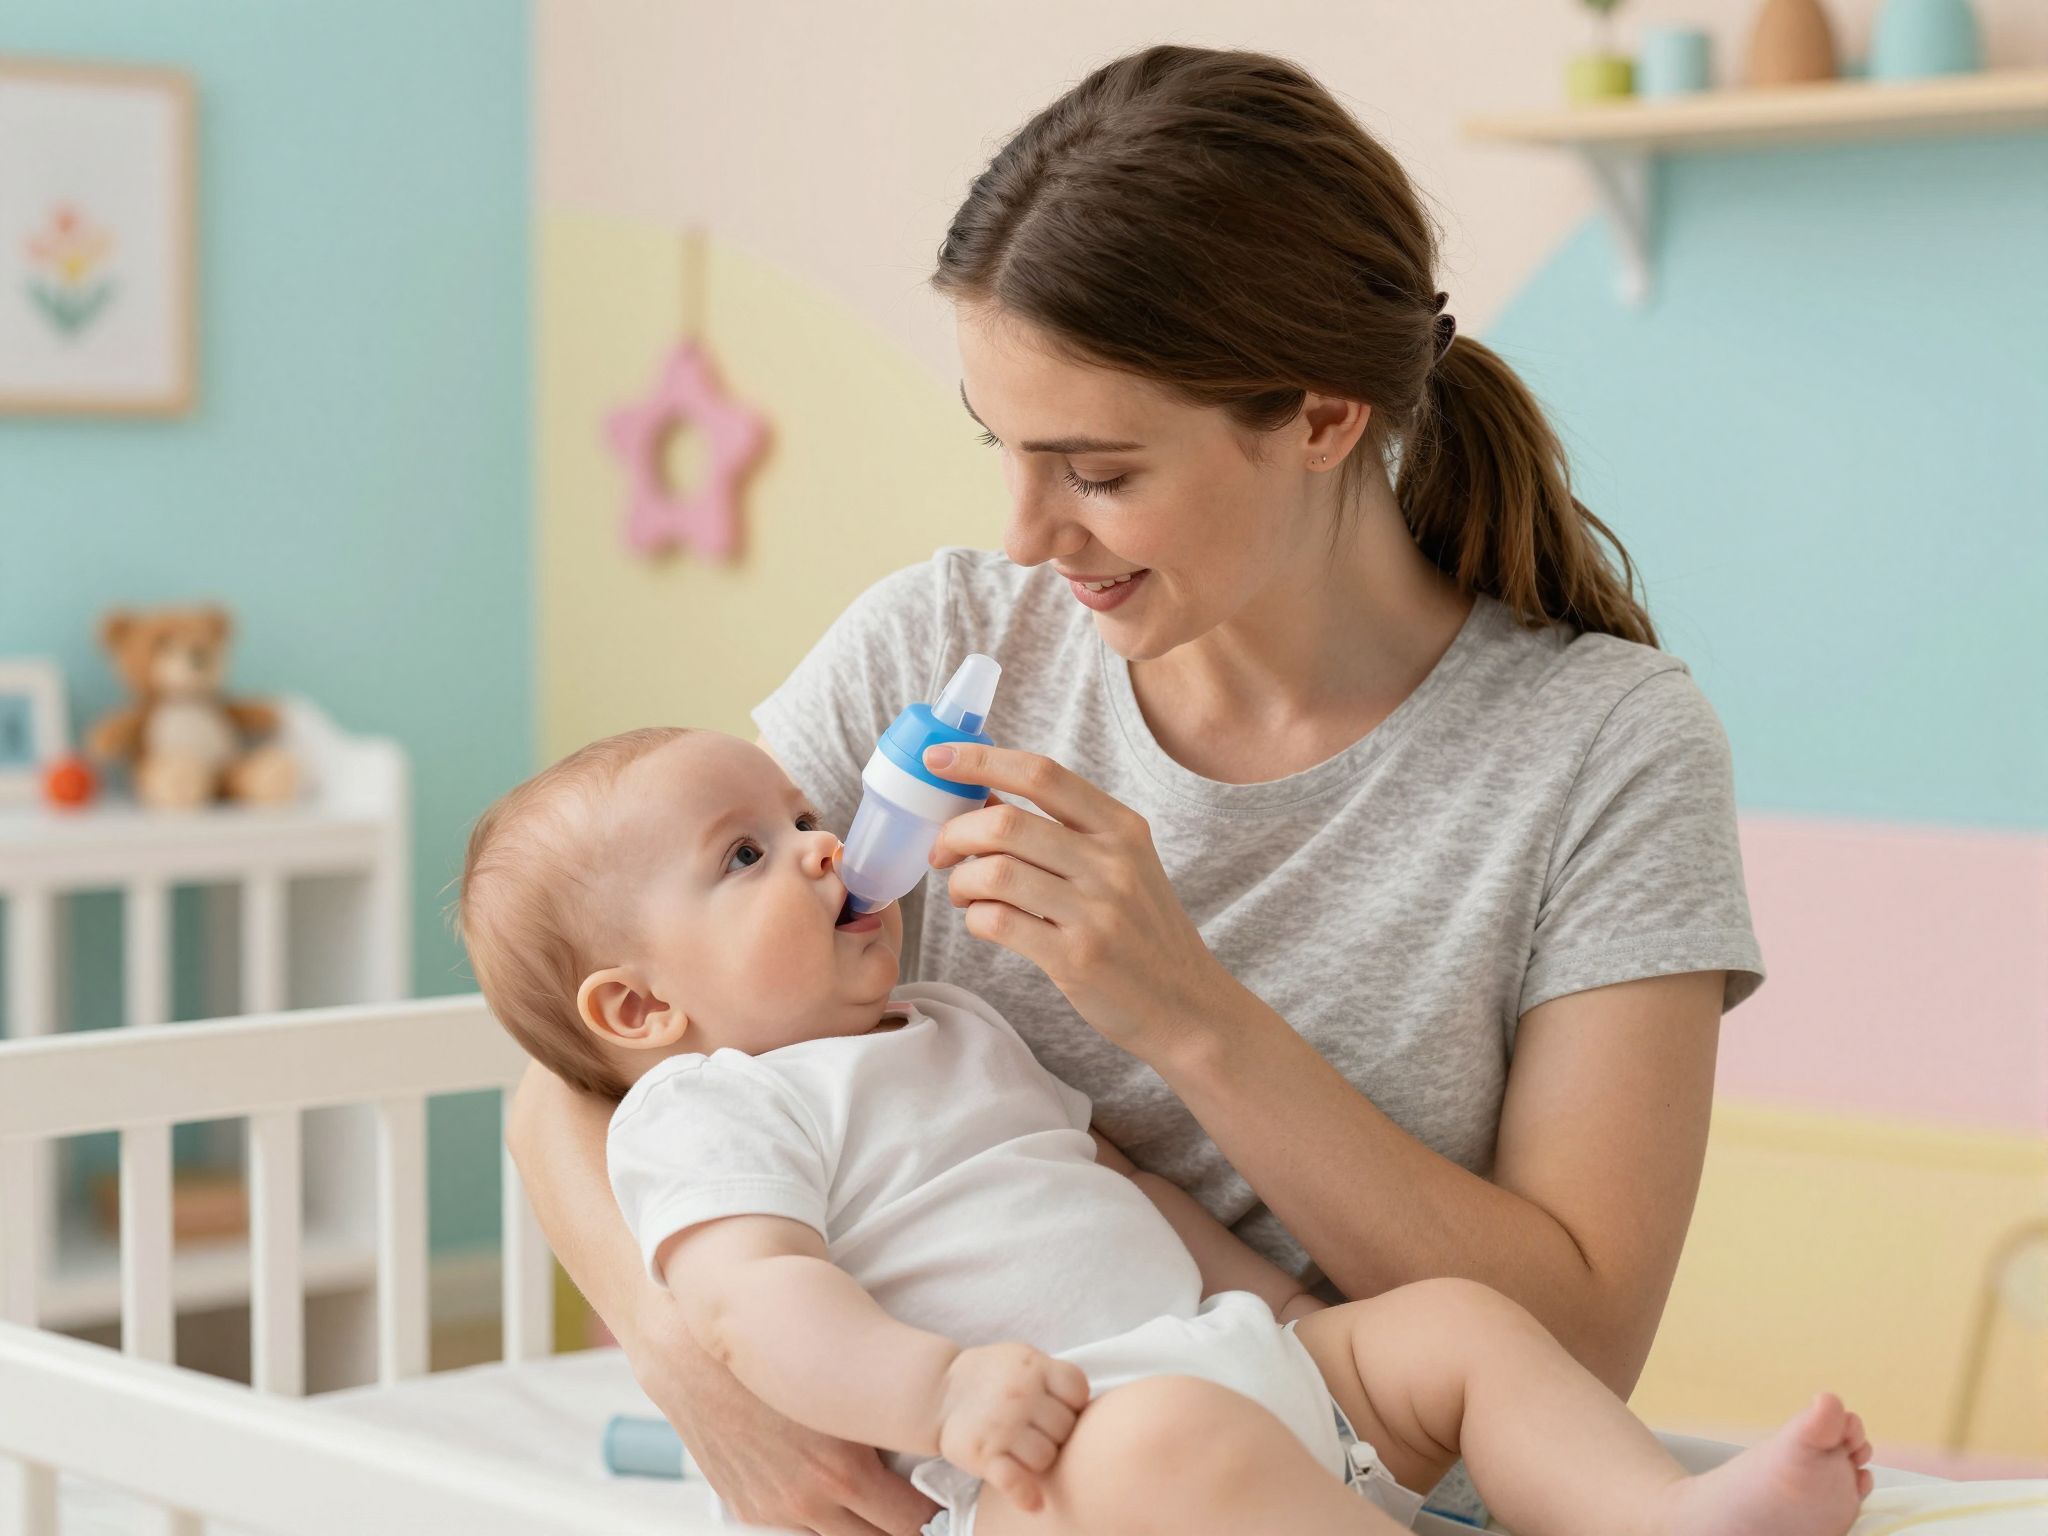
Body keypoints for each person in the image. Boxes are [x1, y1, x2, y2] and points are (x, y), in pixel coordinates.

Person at [506, 45, 1767, 1535]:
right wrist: (708, 1372)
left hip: (1355, 1455)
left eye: (1095, 472)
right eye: (1005, 450)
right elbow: (590, 1066)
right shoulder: (940, 644)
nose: (1028, 537)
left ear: (1319, 416)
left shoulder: (1599, 748)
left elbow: (1581, 1342)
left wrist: (1189, 1013)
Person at [463, 728, 1865, 1536]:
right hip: (1053, 1465)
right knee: (1159, 1456)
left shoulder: (946, 1021)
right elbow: (755, 1311)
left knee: (1455, 1325)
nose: (824, 845)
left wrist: (1294, 1318)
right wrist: (937, 1396)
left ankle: (1661, 1524)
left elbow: (1113, 1184)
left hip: (1232, 1363)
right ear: (639, 1006)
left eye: (804, 814)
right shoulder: (710, 1116)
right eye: (748, 855)